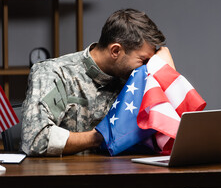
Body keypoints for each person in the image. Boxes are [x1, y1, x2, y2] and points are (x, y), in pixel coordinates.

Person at [20, 9, 175, 156]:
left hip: (126, 177)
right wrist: (101, 136)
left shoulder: (136, 77)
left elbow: (170, 125)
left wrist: (165, 70)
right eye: (144, 60)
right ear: (115, 51)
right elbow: (35, 139)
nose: (148, 66)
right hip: (70, 179)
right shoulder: (55, 73)